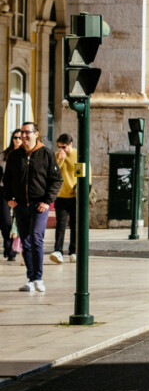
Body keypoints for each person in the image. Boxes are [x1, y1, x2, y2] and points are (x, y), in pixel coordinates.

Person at [3, 122, 61, 293]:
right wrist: (9, 198)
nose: (24, 136)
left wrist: (46, 201)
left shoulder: (47, 154)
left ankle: (39, 278)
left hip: (39, 206)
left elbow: (56, 180)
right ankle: (31, 278)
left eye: (27, 133)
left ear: (36, 134)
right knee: (25, 242)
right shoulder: (15, 156)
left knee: (36, 238)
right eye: (22, 133)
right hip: (20, 205)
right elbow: (7, 180)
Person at [51, 134, 78, 263]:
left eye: (64, 147)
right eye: (59, 147)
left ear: (70, 144)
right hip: (61, 196)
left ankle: (73, 251)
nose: (62, 149)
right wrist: (61, 159)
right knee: (60, 225)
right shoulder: (57, 156)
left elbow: (83, 172)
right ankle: (58, 251)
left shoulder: (78, 155)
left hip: (74, 197)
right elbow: (54, 172)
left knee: (74, 225)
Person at [1, 129, 20, 261]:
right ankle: (7, 245)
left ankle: (13, 249)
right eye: (15, 137)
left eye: (19, 137)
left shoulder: (26, 154)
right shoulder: (4, 155)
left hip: (19, 191)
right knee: (5, 221)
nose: (17, 140)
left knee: (17, 221)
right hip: (3, 190)